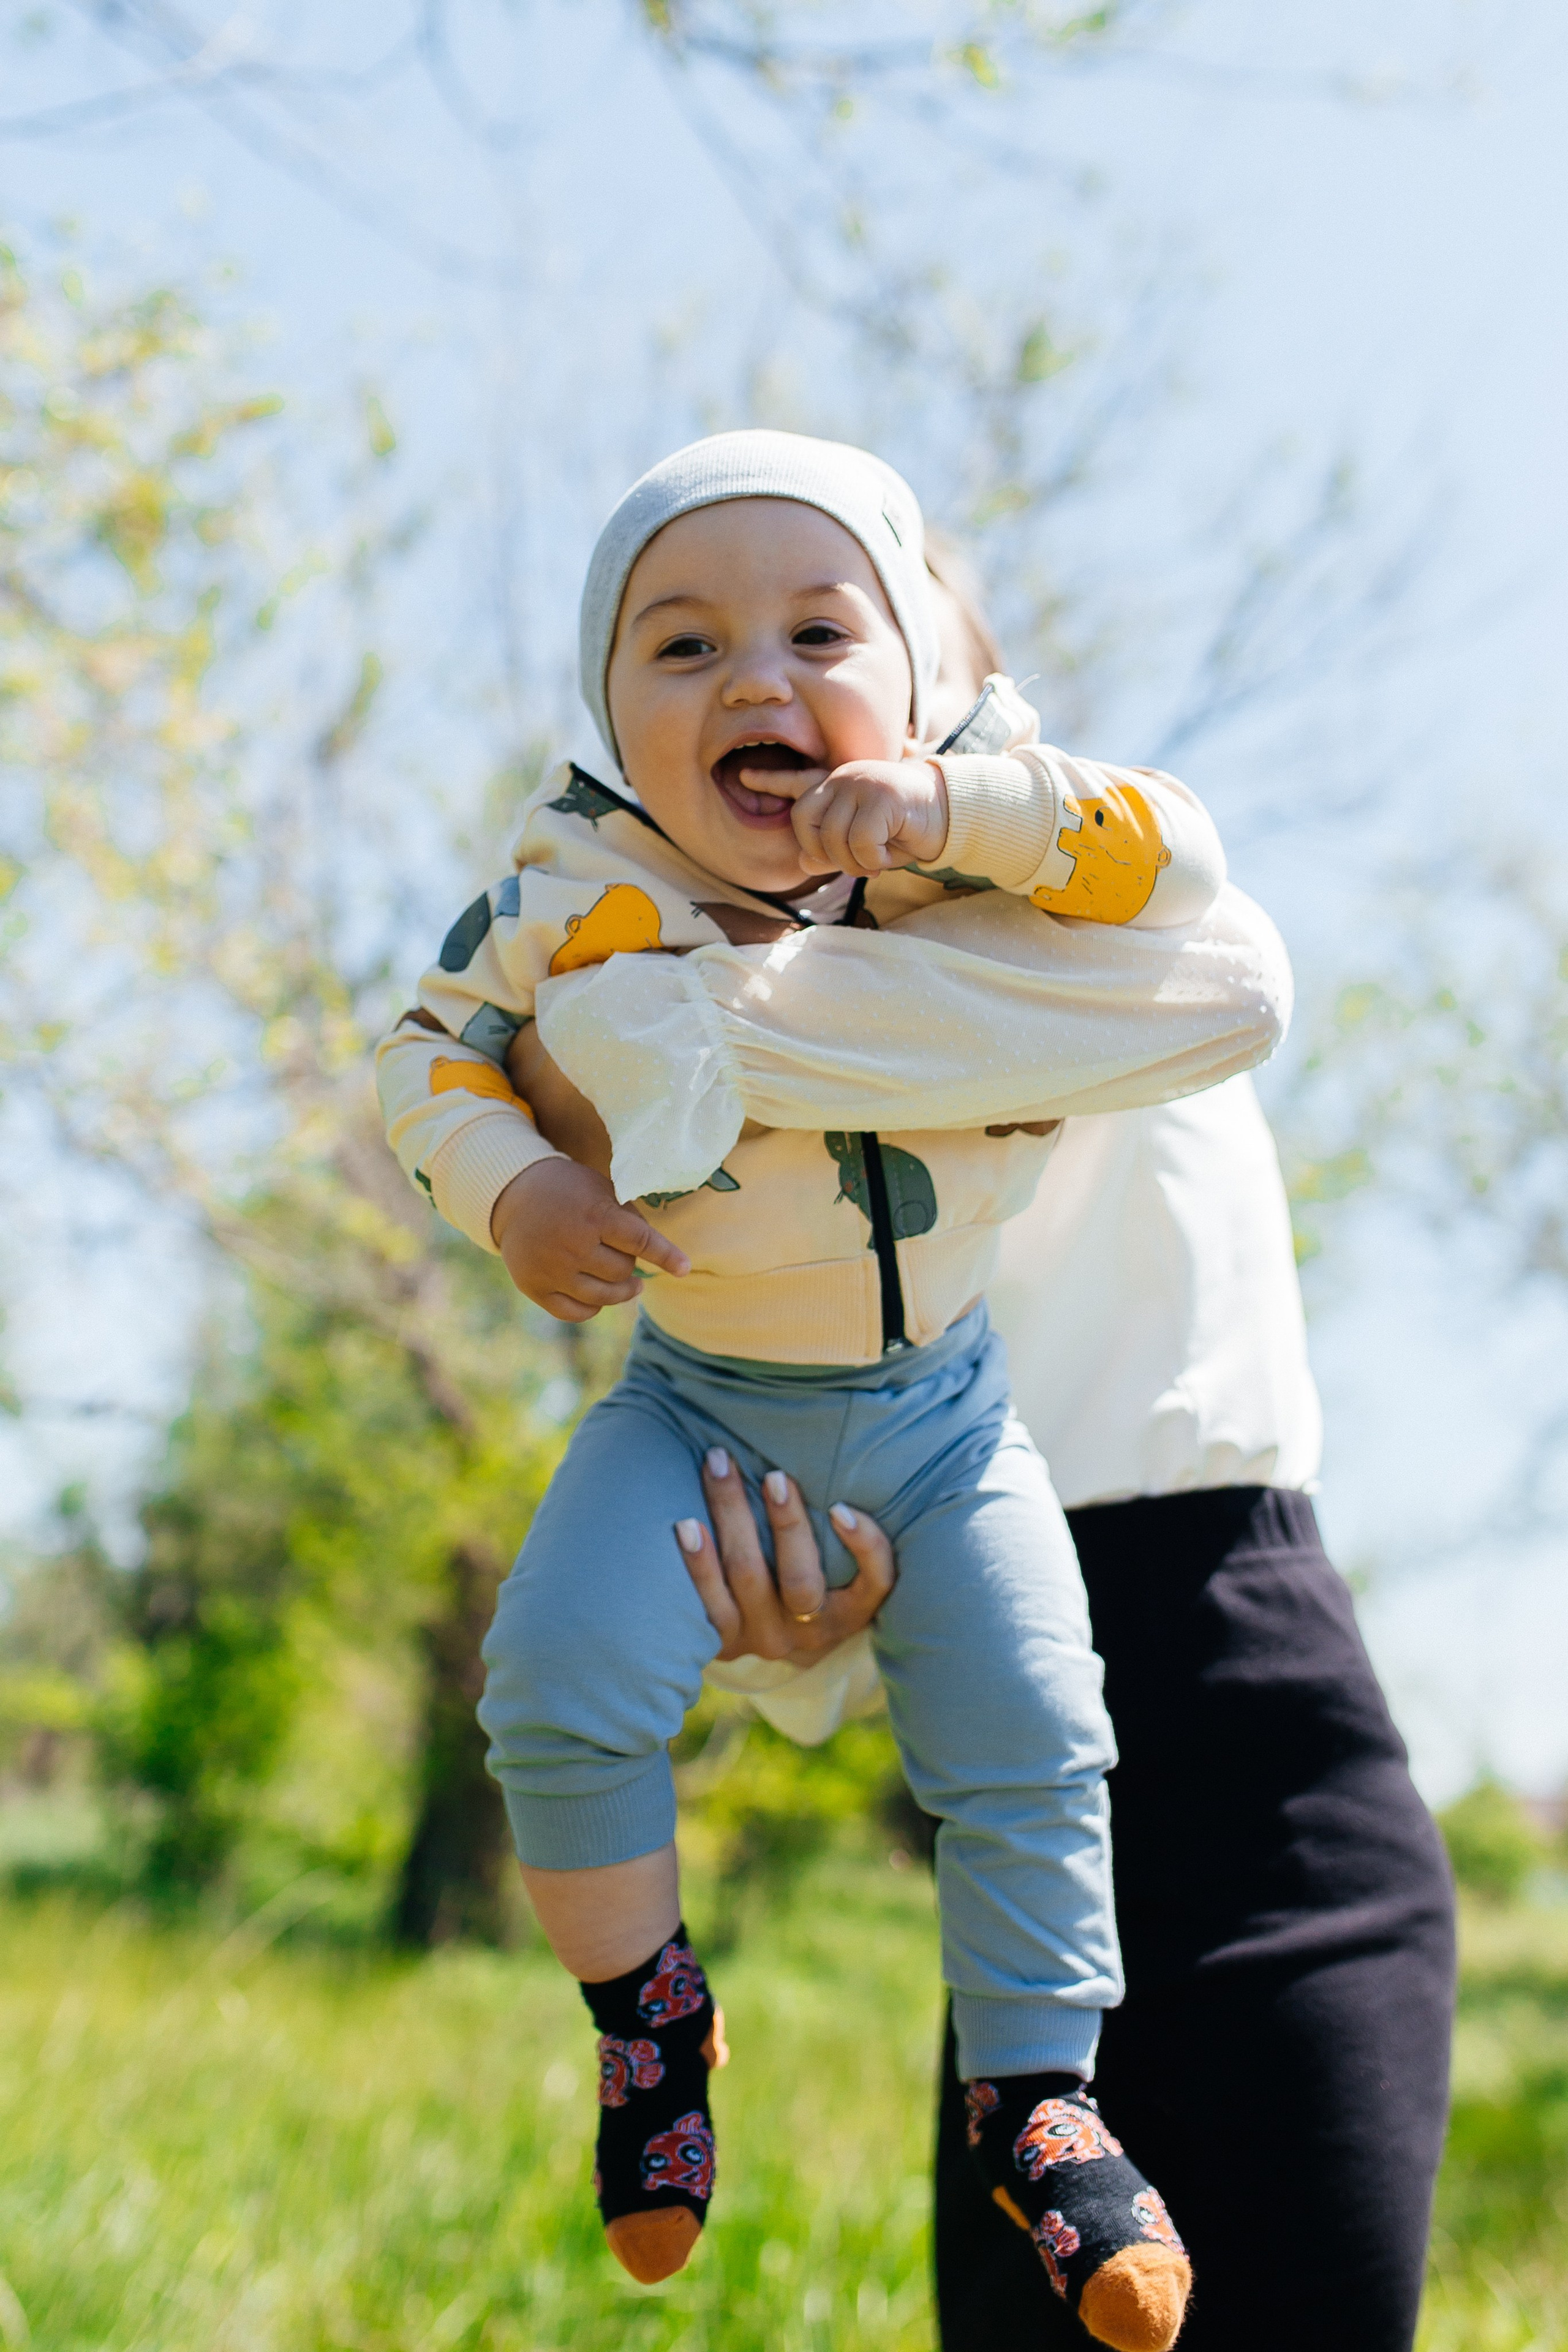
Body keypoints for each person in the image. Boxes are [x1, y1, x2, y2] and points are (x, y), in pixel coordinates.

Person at [376, 427, 1290, 2347]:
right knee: (548, 1684)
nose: (759, 683)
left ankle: (1037, 2094)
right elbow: (427, 1057)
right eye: (683, 650)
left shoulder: (992, 892)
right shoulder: (572, 899)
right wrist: (519, 1180)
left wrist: (974, 816)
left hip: (953, 1420)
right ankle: (646, 2027)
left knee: (1041, 1737)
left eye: (822, 632)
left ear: (939, 688)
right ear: (613, 714)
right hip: (691, 1403)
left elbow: (1194, 888)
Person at [679, 553, 1457, 2352]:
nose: (795, 695)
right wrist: (801, 1632)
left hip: (1263, 1764)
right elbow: (790, 1510)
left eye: (845, 634)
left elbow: (1226, 961)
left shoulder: (1122, 925)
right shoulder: (754, 1083)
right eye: (722, 653)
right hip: (1023, 1866)